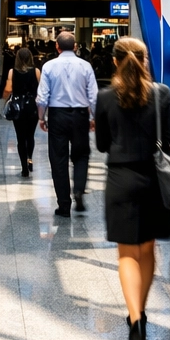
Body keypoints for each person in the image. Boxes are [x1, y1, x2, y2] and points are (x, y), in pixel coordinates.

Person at [95, 37, 170, 340]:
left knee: (126, 255)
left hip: (120, 181)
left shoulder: (105, 97)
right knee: (147, 250)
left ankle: (135, 320)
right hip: (154, 181)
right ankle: (141, 312)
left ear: (115, 62)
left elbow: (102, 144)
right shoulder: (162, 94)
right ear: (145, 61)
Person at [37, 30, 98, 218]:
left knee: (58, 160)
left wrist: (42, 117)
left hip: (57, 116)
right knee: (81, 155)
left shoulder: (48, 66)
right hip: (80, 115)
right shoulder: (86, 66)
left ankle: (64, 204)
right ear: (75, 46)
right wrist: (93, 117)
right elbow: (94, 96)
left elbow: (42, 97)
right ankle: (78, 190)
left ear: (57, 47)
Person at [4, 46, 41, 177]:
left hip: (17, 108)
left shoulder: (12, 72)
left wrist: (5, 98)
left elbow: (8, 89)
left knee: (20, 137)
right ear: (31, 57)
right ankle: (30, 158)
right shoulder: (36, 71)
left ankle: (24, 168)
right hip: (32, 107)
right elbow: (41, 89)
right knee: (30, 135)